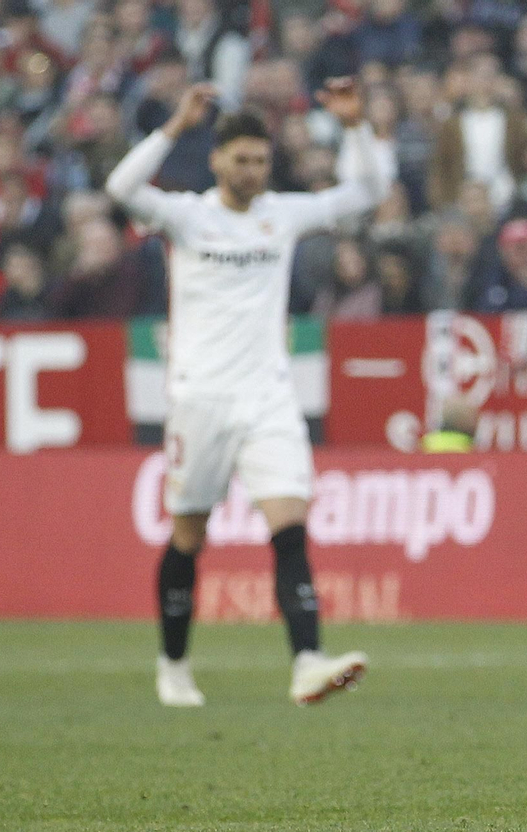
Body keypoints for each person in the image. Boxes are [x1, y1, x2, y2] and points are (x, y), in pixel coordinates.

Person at [104, 79, 386, 708]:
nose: (253, 170)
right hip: (199, 399)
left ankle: (307, 661)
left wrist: (356, 127)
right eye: (241, 160)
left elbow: (368, 191)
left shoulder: (280, 215)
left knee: (290, 528)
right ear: (216, 161)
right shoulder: (188, 215)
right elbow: (121, 189)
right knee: (189, 538)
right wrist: (174, 125)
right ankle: (173, 664)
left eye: (261, 160)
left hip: (268, 398)